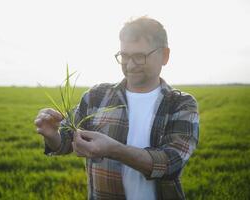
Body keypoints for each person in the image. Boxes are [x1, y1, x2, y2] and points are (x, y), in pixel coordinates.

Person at [34, 16, 199, 200]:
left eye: (139, 56)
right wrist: (53, 135)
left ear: (165, 55)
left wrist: (114, 150)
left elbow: (172, 163)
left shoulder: (181, 104)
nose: (129, 65)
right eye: (124, 56)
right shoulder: (97, 96)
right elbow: (65, 141)